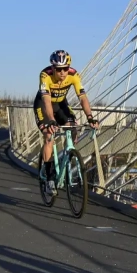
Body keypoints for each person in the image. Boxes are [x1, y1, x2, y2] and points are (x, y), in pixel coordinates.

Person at [34, 50, 99, 195]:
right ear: (53, 68)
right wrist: (51, 120)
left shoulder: (74, 75)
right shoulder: (45, 75)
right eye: (59, 69)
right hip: (44, 105)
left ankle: (67, 157)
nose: (63, 72)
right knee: (48, 135)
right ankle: (49, 178)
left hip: (62, 104)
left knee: (73, 127)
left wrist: (90, 117)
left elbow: (82, 97)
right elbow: (46, 100)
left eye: (65, 68)